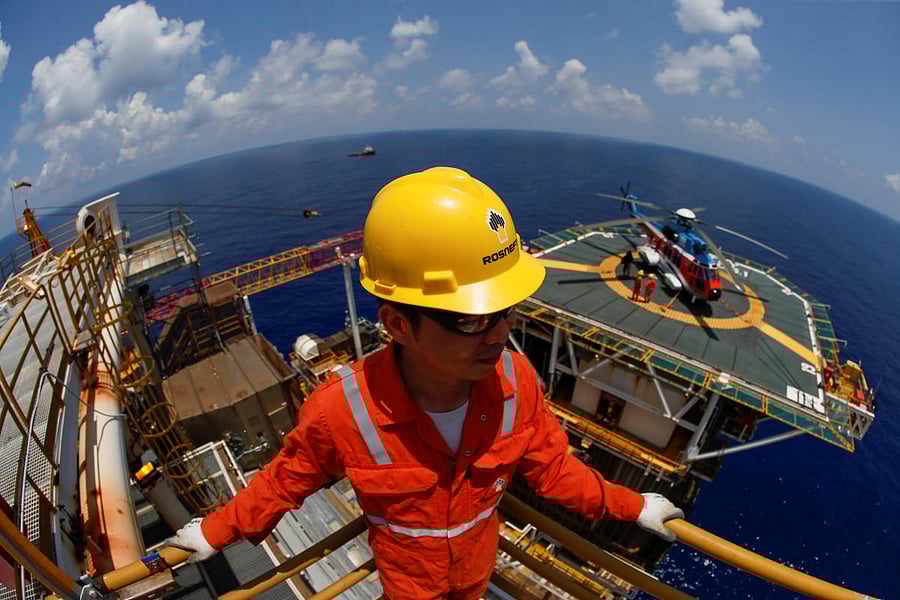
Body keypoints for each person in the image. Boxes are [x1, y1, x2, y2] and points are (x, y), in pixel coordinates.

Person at [167, 167, 683, 600]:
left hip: (475, 578)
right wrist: (217, 531)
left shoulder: (515, 382)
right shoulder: (344, 411)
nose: (500, 335)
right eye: (470, 319)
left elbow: (554, 472)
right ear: (397, 324)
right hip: (410, 588)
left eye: (504, 312)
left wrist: (634, 506)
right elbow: (285, 481)